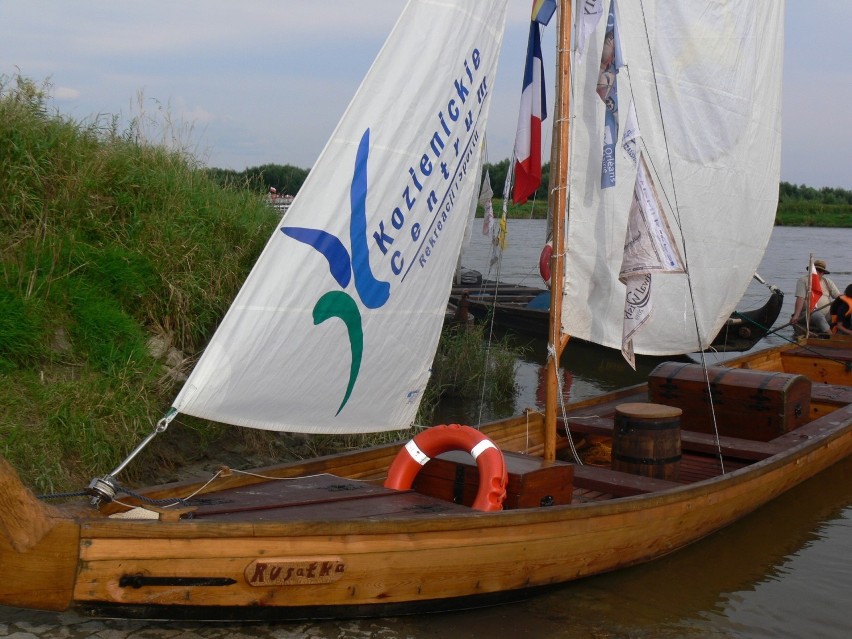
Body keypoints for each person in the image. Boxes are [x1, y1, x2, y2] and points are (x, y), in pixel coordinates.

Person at [790, 258, 840, 333]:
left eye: (821, 271)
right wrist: (796, 316)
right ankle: (831, 335)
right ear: (811, 270)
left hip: (827, 315)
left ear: (823, 273)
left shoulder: (828, 282)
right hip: (807, 314)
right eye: (817, 270)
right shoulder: (803, 281)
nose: (819, 273)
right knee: (817, 315)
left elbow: (839, 297)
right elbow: (800, 299)